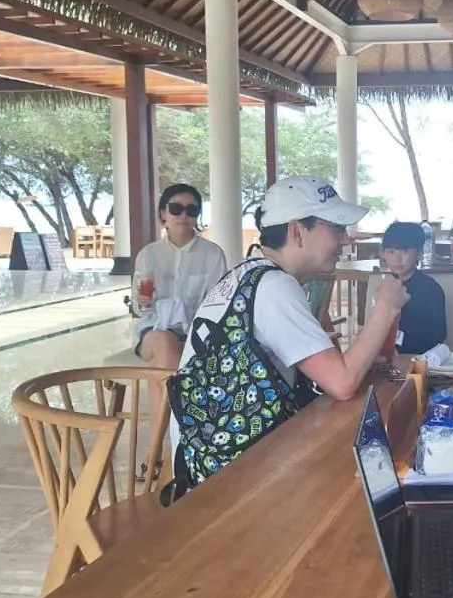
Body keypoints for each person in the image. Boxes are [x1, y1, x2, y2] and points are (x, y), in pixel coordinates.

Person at [170, 176, 409, 492]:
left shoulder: (248, 274)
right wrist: (386, 307)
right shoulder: (273, 287)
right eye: (337, 228)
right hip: (225, 476)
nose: (345, 240)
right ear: (297, 231)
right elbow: (341, 383)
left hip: (205, 454)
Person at [131, 183, 228, 480]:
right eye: (176, 208)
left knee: (163, 375)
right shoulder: (148, 255)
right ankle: (180, 448)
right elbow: (138, 308)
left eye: (191, 210)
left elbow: (217, 304)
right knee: (162, 342)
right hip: (153, 330)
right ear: (163, 213)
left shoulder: (212, 255)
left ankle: (156, 451)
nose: (183, 215)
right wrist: (143, 301)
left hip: (193, 336)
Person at [379, 221, 447, 355]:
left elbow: (439, 334)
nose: (397, 259)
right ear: (383, 253)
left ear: (419, 253)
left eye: (405, 251)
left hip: (419, 358)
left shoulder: (430, 289)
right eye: (391, 251)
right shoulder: (385, 286)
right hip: (386, 357)